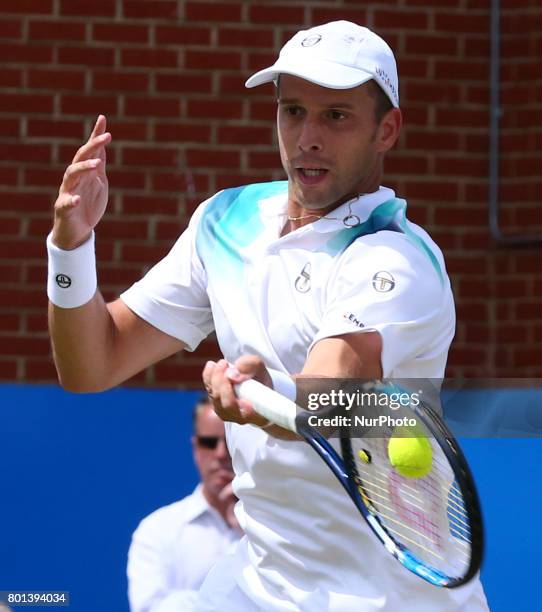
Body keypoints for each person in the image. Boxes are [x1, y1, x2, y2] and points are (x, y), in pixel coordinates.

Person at [47, 20, 489, 611]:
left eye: (336, 116)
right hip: (260, 582)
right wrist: (71, 246)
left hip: (383, 598)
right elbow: (91, 363)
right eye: (293, 111)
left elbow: (328, 395)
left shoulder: (395, 258)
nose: (307, 137)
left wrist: (263, 394)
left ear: (387, 130)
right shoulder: (226, 222)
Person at [127, 397, 241, 612]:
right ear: (196, 448)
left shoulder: (273, 525)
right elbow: (149, 607)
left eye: (230, 442)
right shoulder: (157, 529)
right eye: (209, 442)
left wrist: (249, 532)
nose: (221, 454)